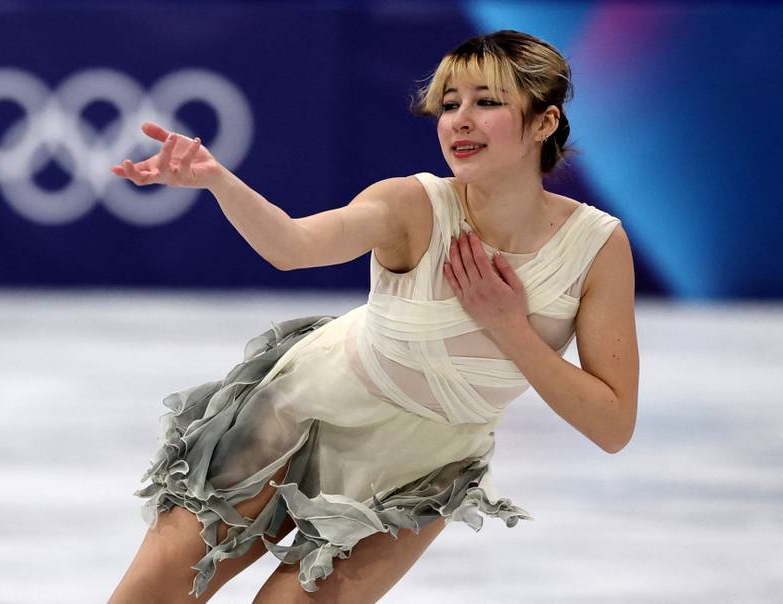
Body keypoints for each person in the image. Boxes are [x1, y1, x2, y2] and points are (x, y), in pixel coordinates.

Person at [107, 30, 639, 603]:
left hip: (420, 472)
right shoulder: (411, 205)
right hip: (302, 412)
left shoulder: (596, 247)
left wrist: (509, 326)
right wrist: (218, 180)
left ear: (544, 122)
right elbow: (292, 246)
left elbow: (611, 427)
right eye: (450, 103)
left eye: (486, 101)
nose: (460, 120)